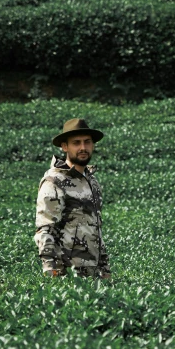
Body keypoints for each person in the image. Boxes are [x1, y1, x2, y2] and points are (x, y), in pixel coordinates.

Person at [35, 118, 111, 280]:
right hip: (67, 275)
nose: (83, 148)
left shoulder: (92, 181)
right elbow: (46, 230)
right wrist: (51, 274)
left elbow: (96, 229)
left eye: (87, 142)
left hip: (94, 276)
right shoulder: (54, 182)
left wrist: (105, 270)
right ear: (64, 146)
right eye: (76, 143)